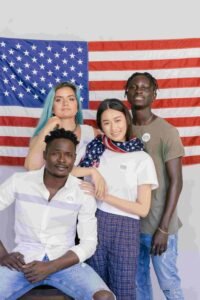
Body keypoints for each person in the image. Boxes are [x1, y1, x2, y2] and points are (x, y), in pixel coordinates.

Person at [0, 128, 115, 300]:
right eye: (56, 154)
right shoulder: (19, 181)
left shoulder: (82, 193)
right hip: (24, 261)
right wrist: (2, 254)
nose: (62, 160)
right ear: (45, 155)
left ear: (74, 159)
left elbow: (89, 243)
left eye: (68, 155)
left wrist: (51, 266)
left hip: (63, 262)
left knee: (104, 297)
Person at [79, 98, 158, 300]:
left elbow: (142, 209)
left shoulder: (142, 158)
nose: (113, 128)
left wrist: (105, 196)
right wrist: (91, 172)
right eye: (106, 122)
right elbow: (60, 172)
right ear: (100, 126)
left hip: (125, 228)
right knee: (94, 288)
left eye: (117, 120)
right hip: (93, 223)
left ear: (126, 119)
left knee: (123, 290)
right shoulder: (96, 150)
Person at [125, 72, 185, 300]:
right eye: (134, 86)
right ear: (126, 92)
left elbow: (176, 183)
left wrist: (163, 229)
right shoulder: (122, 128)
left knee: (168, 284)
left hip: (159, 227)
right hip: (131, 227)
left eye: (145, 87)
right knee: (139, 286)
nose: (139, 90)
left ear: (154, 94)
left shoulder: (167, 132)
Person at [24, 81, 99, 170]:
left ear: (77, 106)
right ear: (52, 108)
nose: (65, 103)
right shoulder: (40, 137)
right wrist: (46, 129)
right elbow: (31, 168)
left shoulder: (92, 133)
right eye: (59, 100)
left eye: (71, 99)